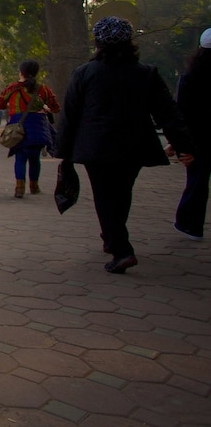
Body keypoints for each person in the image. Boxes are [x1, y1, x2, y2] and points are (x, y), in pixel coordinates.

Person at [56, 16, 195, 274]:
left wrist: (62, 150)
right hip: (134, 145)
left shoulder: (85, 73)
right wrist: (183, 144)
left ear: (98, 43)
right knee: (122, 192)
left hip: (96, 147)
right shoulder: (146, 73)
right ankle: (112, 238)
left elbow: (70, 114)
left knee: (104, 196)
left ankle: (122, 250)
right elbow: (167, 112)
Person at [0, 59, 61, 198]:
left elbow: (0, 104)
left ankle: (19, 187)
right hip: (38, 126)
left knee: (20, 157)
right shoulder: (43, 89)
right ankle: (34, 186)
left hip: (18, 125)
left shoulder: (12, 88)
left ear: (21, 72)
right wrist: (44, 108)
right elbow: (56, 107)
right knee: (35, 158)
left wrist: (13, 107)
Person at [170, 27, 211, 242]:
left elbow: (181, 112)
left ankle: (190, 225)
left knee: (197, 182)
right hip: (199, 138)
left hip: (198, 139)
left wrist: (181, 144)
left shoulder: (191, 77)